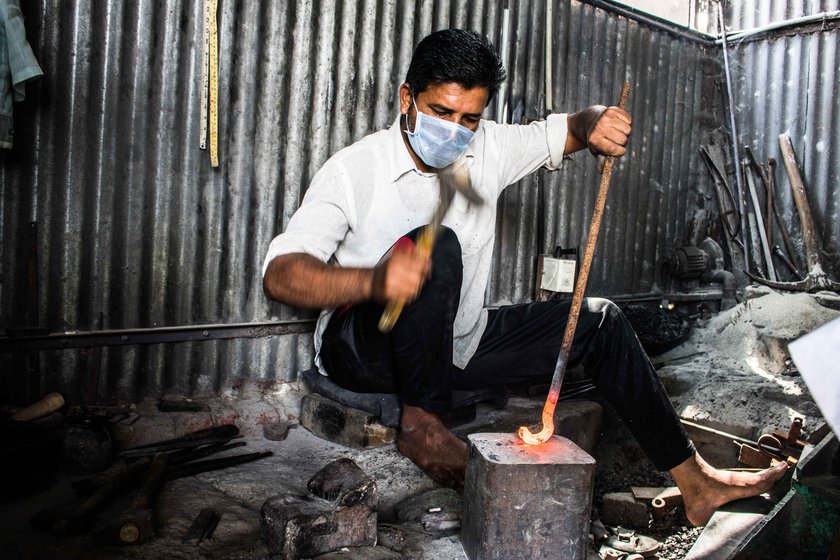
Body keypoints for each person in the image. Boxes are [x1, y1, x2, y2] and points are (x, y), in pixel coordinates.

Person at [262, 28, 787, 526]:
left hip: (452, 346)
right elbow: (282, 276)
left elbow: (570, 129)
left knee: (599, 321)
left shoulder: (490, 147)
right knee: (435, 243)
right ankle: (421, 426)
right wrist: (374, 283)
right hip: (364, 352)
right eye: (440, 111)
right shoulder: (355, 170)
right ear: (406, 98)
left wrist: (597, 119)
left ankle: (695, 483)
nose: (455, 130)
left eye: (469, 118)